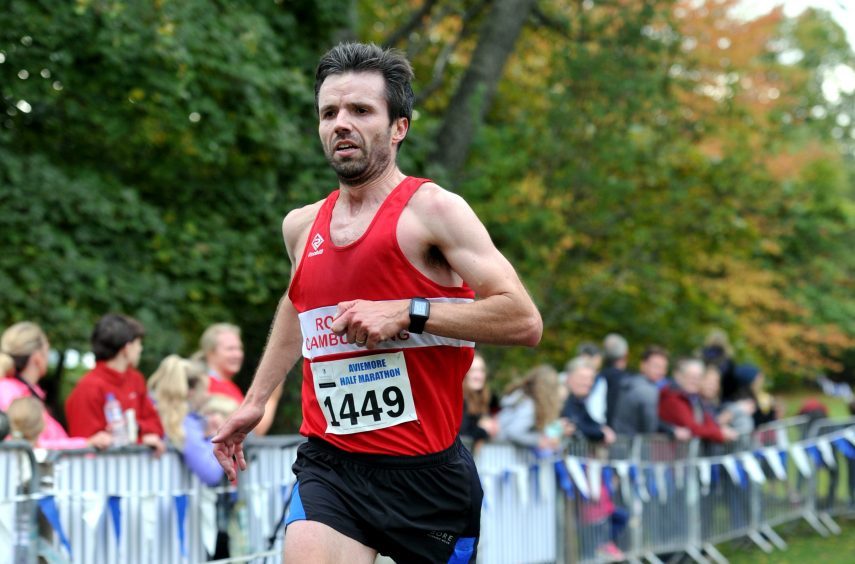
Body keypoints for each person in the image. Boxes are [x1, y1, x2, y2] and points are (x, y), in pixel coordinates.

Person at [212, 42, 542, 564]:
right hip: (332, 464)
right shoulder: (301, 227)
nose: (341, 123)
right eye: (329, 113)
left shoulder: (434, 211)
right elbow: (299, 308)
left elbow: (524, 320)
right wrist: (255, 400)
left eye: (361, 111)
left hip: (426, 477)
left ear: (398, 127)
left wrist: (408, 311)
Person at [65, 314, 166, 456]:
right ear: (126, 348)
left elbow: (156, 425)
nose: (140, 349)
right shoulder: (88, 388)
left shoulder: (136, 379)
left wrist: (138, 429)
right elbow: (84, 445)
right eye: (138, 344)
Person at [0, 321, 110, 449]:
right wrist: (85, 444)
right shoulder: (11, 393)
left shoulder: (23, 392)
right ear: (37, 358)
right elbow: (27, 444)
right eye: (47, 351)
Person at [148, 355, 224, 486]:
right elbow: (211, 474)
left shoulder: (149, 409)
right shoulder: (184, 424)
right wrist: (216, 437)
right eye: (204, 390)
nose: (207, 396)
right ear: (191, 392)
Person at [196, 323, 280, 436]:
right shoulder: (210, 386)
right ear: (210, 353)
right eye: (230, 349)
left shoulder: (227, 386)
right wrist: (273, 394)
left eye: (239, 348)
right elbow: (253, 431)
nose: (238, 354)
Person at [612, 346, 691, 440]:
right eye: (656, 366)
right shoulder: (647, 390)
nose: (661, 371)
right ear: (643, 365)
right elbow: (650, 425)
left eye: (664, 368)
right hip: (633, 446)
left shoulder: (630, 383)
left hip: (621, 444)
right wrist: (672, 430)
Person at [659, 358, 738, 443]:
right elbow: (692, 428)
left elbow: (707, 421)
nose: (694, 381)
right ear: (681, 377)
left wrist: (720, 430)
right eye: (690, 376)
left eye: (698, 377)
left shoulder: (694, 398)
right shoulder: (673, 397)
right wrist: (720, 433)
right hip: (670, 452)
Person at [497, 364, 567, 452]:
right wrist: (538, 440)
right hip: (503, 453)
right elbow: (514, 431)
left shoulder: (521, 398)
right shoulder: (529, 405)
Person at [460, 352, 499, 450]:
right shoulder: (460, 401)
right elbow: (462, 434)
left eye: (481, 371)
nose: (478, 376)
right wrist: (484, 430)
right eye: (473, 370)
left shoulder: (485, 400)